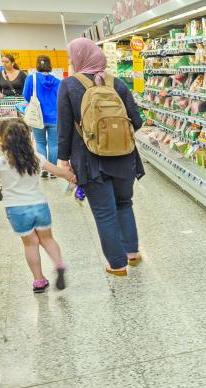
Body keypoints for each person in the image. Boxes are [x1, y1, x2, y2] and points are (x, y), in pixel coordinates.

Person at [56, 38, 144, 277]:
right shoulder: (118, 83)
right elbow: (137, 121)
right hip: (125, 159)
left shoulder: (69, 85)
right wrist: (116, 138)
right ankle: (132, 253)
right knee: (124, 204)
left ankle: (117, 265)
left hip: (90, 160)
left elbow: (64, 128)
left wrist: (63, 161)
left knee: (105, 213)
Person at [0, 118, 74, 293]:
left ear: (3, 139)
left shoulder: (0, 163)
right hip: (39, 206)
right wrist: (72, 177)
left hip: (16, 210)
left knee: (30, 244)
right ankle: (59, 265)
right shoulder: (36, 158)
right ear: (27, 137)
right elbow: (59, 172)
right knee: (47, 239)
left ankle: (39, 281)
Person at [23, 55, 61, 178]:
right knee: (54, 144)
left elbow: (26, 95)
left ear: (37, 64)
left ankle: (44, 169)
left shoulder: (31, 79)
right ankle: (53, 171)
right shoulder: (57, 81)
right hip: (55, 118)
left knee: (40, 143)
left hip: (37, 117)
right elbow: (61, 99)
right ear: (49, 65)